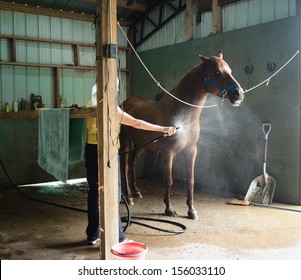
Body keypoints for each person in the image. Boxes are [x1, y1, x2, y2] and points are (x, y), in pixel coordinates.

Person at [85, 91, 177, 245]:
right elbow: (136, 123)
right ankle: (118, 237)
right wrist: (162, 129)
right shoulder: (111, 107)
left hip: (91, 149)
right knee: (114, 193)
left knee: (94, 192)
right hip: (109, 151)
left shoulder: (89, 104)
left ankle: (93, 234)